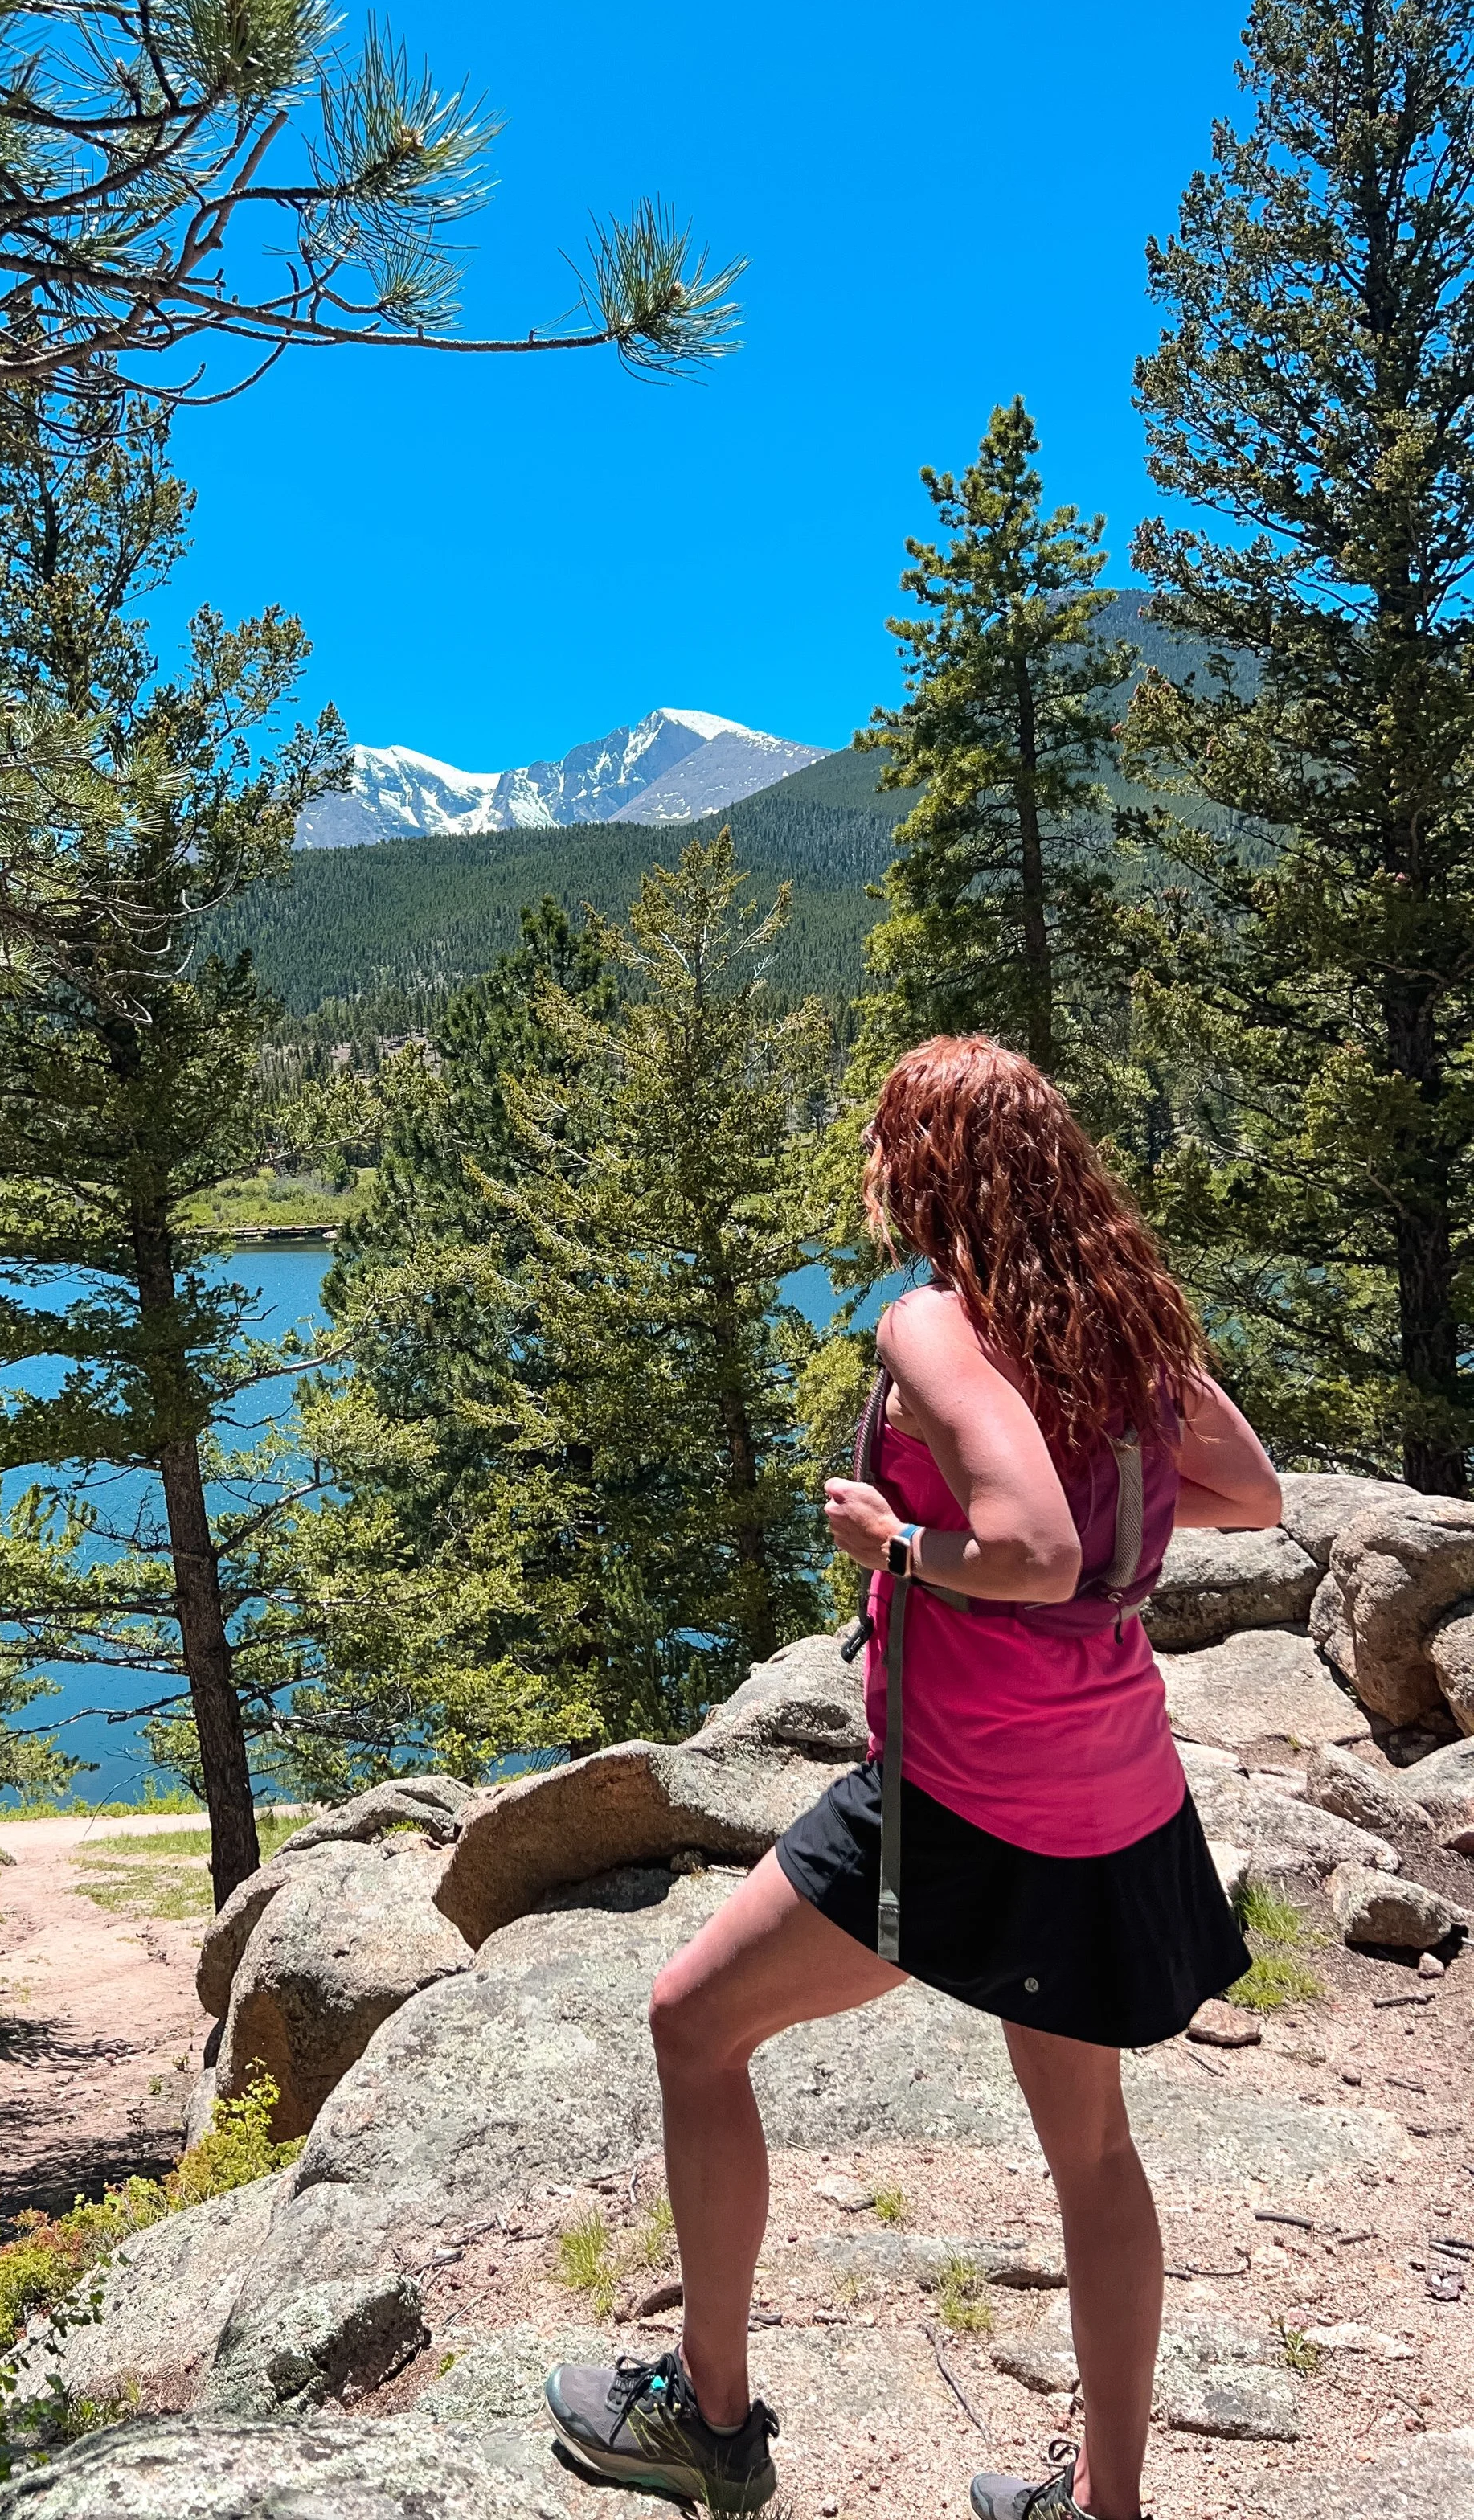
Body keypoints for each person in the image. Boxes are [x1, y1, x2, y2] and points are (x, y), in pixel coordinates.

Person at [543, 1036, 1282, 2520]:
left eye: (886, 1149)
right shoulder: (1114, 1317)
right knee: (1094, 2157)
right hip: (1118, 1792)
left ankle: (707, 2414)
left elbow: (1033, 1551)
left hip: (962, 1800)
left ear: (923, 1172)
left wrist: (893, 1541)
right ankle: (1105, 2506)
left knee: (691, 2021)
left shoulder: (936, 1329)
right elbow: (1247, 1493)